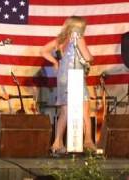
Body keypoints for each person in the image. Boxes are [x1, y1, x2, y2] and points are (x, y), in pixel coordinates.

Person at [40, 16, 96, 154]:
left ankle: (57, 143)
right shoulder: (78, 38)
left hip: (63, 78)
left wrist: (55, 62)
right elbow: (88, 57)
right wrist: (91, 60)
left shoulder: (61, 40)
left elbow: (42, 51)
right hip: (75, 76)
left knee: (65, 113)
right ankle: (88, 142)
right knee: (84, 111)